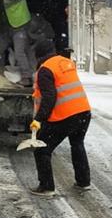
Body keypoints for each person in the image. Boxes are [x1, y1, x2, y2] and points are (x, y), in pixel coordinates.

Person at [29, 38, 92, 196]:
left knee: (42, 148)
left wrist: (39, 119)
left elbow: (49, 97)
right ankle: (83, 182)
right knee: (77, 144)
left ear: (38, 55)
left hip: (67, 115)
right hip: (83, 112)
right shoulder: (65, 62)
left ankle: (46, 187)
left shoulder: (45, 70)